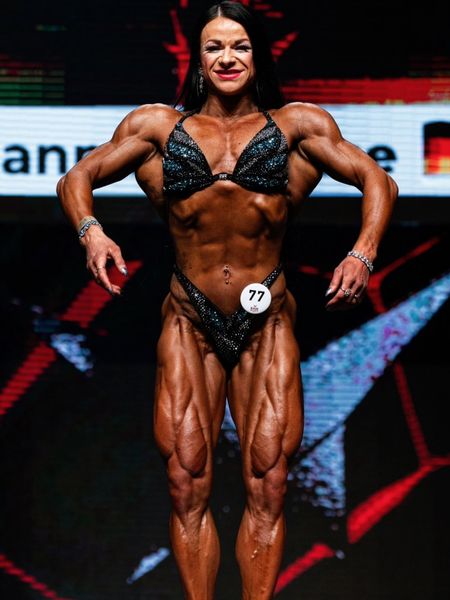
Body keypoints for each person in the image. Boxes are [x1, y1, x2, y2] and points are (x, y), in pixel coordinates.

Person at [56, 2, 398, 598]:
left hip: (267, 324)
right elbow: (75, 179)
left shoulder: (297, 126)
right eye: (214, 47)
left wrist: (362, 253)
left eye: (239, 45)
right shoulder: (158, 128)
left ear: (257, 55)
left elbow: (378, 180)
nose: (227, 57)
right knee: (186, 481)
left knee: (269, 482)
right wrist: (92, 233)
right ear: (198, 59)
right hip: (189, 319)